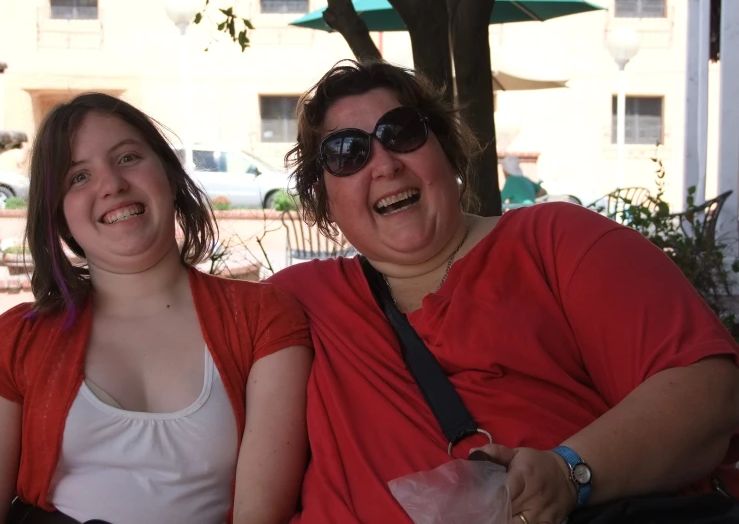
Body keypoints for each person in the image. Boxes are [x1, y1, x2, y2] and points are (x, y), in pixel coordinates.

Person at [268, 59, 739, 524]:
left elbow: (708, 392)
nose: (386, 165)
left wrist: (568, 473)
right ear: (324, 198)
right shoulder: (296, 304)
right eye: (348, 153)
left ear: (447, 150)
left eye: (402, 132)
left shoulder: (555, 242)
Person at [0, 93, 312, 524]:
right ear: (58, 217)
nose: (111, 184)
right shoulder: (18, 339)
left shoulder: (262, 319)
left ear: (168, 173)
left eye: (127, 158)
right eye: (78, 177)